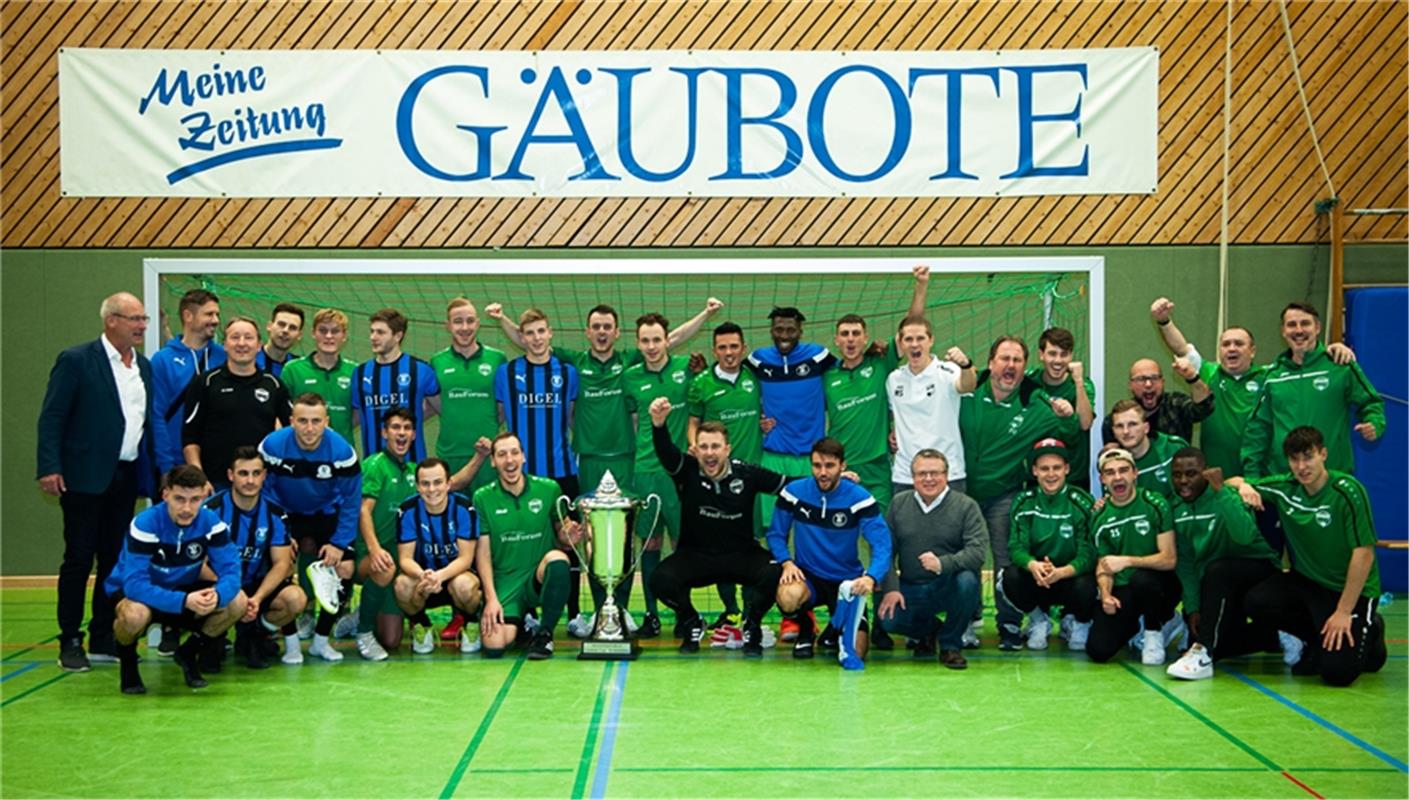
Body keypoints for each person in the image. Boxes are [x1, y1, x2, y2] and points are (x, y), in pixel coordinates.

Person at [488, 298, 720, 636]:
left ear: (616, 333)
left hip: (626, 462)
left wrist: (706, 314)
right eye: (595, 327)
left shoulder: (631, 360)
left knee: (626, 541)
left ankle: (623, 609)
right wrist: (503, 318)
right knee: (593, 540)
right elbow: (528, 339)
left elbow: (673, 338)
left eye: (607, 327)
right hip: (589, 462)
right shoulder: (574, 362)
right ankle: (600, 611)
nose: (601, 332)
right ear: (587, 332)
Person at [36, 292, 157, 671]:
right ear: (111, 321)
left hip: (125, 475)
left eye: (144, 319)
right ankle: (70, 638)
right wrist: (49, 466)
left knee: (113, 559)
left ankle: (103, 633)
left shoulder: (144, 366)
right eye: (134, 318)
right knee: (78, 558)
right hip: (83, 477)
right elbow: (52, 417)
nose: (140, 326)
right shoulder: (76, 361)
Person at [1233, 427, 1388, 687]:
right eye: (1295, 459)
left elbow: (1364, 554)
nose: (1302, 466)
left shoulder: (1348, 492)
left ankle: (1372, 631)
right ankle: (1317, 639)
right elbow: (1232, 481)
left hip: (1352, 593)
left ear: (1323, 454)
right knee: (1256, 601)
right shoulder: (1285, 488)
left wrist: (1343, 611)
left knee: (1337, 673)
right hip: (1310, 583)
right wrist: (1243, 486)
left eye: (1308, 457)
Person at [1150, 297, 1358, 480]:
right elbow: (1181, 347)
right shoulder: (1209, 373)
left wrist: (1334, 349)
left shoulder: (1269, 377)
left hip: (1260, 474)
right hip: (1219, 474)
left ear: (1252, 351)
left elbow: (1305, 366)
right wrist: (1164, 321)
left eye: (1239, 344)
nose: (1232, 348)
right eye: (1226, 344)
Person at [960, 336, 1079, 642]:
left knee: (1006, 561)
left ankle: (1009, 623)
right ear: (991, 363)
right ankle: (966, 619)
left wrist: (1067, 413)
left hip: (1004, 494)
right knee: (967, 559)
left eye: (1017, 360)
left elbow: (1071, 432)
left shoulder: (1036, 405)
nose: (1010, 365)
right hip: (963, 493)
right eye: (1004, 358)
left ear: (1025, 368)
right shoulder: (965, 392)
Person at [648, 400, 791, 655]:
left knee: (774, 573)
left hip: (741, 555)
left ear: (727, 449)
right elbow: (667, 452)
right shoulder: (687, 470)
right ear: (696, 450)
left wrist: (829, 480)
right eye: (703, 447)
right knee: (659, 579)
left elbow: (788, 486)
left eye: (715, 447)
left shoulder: (746, 473)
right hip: (696, 557)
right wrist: (659, 425)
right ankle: (691, 621)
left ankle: (752, 624)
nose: (710, 453)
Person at [355, 407, 491, 659]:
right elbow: (363, 510)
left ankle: (368, 612)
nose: (401, 433)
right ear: (384, 432)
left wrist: (479, 457)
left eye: (406, 428)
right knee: (392, 576)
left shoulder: (411, 471)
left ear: (415, 434)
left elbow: (454, 482)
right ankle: (364, 626)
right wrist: (374, 549)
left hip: (411, 566)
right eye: (395, 428)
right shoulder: (374, 465)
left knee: (392, 640)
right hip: (380, 557)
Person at [107, 465, 248, 694]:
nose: (187, 508)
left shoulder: (212, 523)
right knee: (133, 616)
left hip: (185, 589)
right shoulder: (145, 524)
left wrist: (217, 595)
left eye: (194, 500)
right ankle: (128, 663)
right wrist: (183, 601)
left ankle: (188, 653)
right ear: (165, 495)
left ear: (204, 496)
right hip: (144, 593)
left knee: (237, 601)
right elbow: (134, 585)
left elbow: (232, 572)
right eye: (179, 499)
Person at [768, 438, 892, 668]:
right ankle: (807, 631)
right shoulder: (794, 493)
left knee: (856, 653)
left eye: (830, 466)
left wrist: (870, 577)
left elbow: (882, 544)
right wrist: (786, 562)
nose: (822, 472)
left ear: (842, 466)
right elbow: (776, 534)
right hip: (809, 578)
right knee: (787, 597)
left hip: (846, 583)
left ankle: (835, 628)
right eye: (817, 466)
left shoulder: (860, 498)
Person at [258, 393, 362, 663]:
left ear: (326, 422)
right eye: (302, 421)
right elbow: (264, 493)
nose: (309, 428)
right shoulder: (272, 446)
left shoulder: (342, 452)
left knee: (345, 568)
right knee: (280, 568)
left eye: (316, 421)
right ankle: (291, 644)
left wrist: (339, 544)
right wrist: (282, 533)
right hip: (285, 512)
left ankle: (320, 641)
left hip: (325, 513)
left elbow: (351, 503)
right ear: (291, 421)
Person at [1163, 447, 1281, 681]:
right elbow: (1186, 563)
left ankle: (1203, 652)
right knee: (1219, 641)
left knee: (1218, 569)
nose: (1183, 481)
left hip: (1258, 571)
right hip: (1219, 586)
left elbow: (1244, 537)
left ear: (1205, 473)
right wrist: (1194, 608)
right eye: (1177, 475)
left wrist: (1220, 492)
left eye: (1191, 473)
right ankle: (1273, 637)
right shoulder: (1175, 508)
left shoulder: (1229, 494)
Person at [1240, 303, 1384, 480]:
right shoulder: (1272, 377)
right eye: (1291, 325)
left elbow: (1371, 402)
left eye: (1305, 323)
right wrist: (1252, 478)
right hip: (1285, 479)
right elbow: (1258, 429)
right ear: (1283, 331)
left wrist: (1374, 423)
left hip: (1331, 477)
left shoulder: (1340, 366)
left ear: (1317, 328)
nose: (1298, 330)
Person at [473, 433, 583, 660]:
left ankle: (544, 633)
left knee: (558, 560)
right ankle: (522, 625)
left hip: (537, 577)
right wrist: (491, 599)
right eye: (502, 454)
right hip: (506, 582)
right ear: (493, 461)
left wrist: (567, 536)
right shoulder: (482, 498)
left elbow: (562, 534)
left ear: (523, 457)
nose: (509, 460)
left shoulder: (549, 489)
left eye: (514, 452)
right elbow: (482, 553)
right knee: (494, 646)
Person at [619, 313, 695, 637]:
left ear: (668, 339)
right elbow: (637, 423)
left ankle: (683, 613)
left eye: (657, 339)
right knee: (650, 545)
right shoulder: (630, 377)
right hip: (646, 472)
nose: (651, 346)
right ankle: (651, 614)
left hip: (679, 474)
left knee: (683, 545)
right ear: (638, 343)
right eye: (645, 340)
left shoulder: (686, 370)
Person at [876, 449, 986, 670]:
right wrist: (891, 588)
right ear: (912, 477)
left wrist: (943, 564)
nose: (928, 479)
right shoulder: (899, 504)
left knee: (967, 581)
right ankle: (930, 631)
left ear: (946, 475)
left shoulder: (966, 506)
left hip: (947, 585)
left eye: (935, 473)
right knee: (887, 619)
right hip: (911, 586)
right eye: (922, 473)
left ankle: (950, 645)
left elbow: (978, 552)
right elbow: (885, 550)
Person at [687, 321, 765, 627]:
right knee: (720, 545)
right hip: (717, 478)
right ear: (714, 350)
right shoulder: (701, 383)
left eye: (734, 347)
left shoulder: (754, 377)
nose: (729, 353)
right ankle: (731, 608)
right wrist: (694, 446)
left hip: (751, 478)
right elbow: (693, 421)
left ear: (743, 349)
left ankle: (749, 613)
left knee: (750, 544)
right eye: (722, 347)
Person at [206, 447, 308, 670]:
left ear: (264, 476)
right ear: (231, 475)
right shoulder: (210, 511)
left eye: (256, 473)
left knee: (295, 598)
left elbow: (282, 563)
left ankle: (256, 635)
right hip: (217, 585)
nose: (250, 480)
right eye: (243, 474)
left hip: (256, 587)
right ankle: (209, 638)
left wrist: (257, 599)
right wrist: (231, 588)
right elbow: (199, 564)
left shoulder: (275, 513)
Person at [994, 439, 1098, 652]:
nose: (1051, 474)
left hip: (1069, 578)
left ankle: (1077, 622)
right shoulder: (1024, 501)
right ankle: (1039, 620)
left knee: (1088, 583)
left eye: (1057, 468)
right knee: (1010, 577)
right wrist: (1033, 565)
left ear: (1067, 469)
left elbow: (1088, 554)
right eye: (1044, 469)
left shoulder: (1082, 502)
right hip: (1039, 578)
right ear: (1034, 471)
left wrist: (1062, 572)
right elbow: (1016, 548)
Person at [1087, 449, 1180, 666]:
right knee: (1098, 651)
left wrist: (1128, 561)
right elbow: (1104, 566)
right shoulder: (1100, 517)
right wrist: (1106, 594)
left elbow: (1169, 559)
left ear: (1135, 473)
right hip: (1124, 588)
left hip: (1159, 583)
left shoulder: (1155, 504)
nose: (1117, 477)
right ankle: (1135, 625)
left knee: (1143, 579)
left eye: (1123, 470)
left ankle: (1155, 630)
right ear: (1102, 479)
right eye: (1110, 473)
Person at [181, 316, 291, 491]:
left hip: (260, 483)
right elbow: (190, 437)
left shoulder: (274, 385)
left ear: (258, 345)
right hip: (215, 483)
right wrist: (200, 479)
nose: (242, 343)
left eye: (248, 337)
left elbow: (293, 430)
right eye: (235, 337)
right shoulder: (206, 382)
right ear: (225, 344)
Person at [394, 458, 484, 654]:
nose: (432, 489)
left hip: (455, 579)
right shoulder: (408, 511)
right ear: (417, 486)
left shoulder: (463, 508)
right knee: (401, 585)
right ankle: (422, 625)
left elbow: (465, 559)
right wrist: (422, 576)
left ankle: (470, 623)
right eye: (425, 483)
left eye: (438, 482)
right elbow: (405, 559)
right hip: (424, 582)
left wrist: (439, 576)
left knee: (464, 586)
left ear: (448, 483)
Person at [887, 314, 976, 495]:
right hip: (906, 476)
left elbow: (967, 385)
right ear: (902, 344)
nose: (914, 344)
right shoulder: (894, 379)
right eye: (908, 339)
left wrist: (966, 365)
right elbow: (893, 415)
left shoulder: (948, 370)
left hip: (948, 474)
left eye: (920, 338)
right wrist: (893, 431)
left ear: (931, 341)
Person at [429, 297, 506, 495]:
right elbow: (436, 404)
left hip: (488, 454)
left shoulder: (497, 359)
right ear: (447, 326)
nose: (465, 327)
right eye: (458, 321)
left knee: (487, 521)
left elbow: (502, 408)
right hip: (450, 455)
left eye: (470, 321)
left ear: (478, 323)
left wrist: (487, 429)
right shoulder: (437, 361)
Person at [150, 288, 225, 473]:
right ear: (188, 316)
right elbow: (156, 415)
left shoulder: (225, 357)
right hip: (176, 462)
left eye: (217, 314)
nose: (215, 320)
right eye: (209, 314)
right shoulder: (163, 360)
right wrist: (165, 466)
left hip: (217, 464)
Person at [351, 308, 441, 461]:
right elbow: (356, 416)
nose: (373, 337)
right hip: (373, 466)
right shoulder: (359, 373)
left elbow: (441, 408)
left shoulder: (420, 370)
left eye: (380, 332)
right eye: (372, 331)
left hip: (412, 464)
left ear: (398, 336)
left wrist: (414, 418)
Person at [1026, 328, 1096, 490]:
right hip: (1037, 475)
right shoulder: (1029, 381)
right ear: (1041, 354)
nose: (1058, 360)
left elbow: (1085, 424)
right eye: (1052, 353)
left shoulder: (1082, 384)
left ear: (1071, 356)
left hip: (1074, 475)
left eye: (1064, 354)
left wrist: (1078, 381)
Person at [280, 308, 359, 447]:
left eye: (335, 331)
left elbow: (357, 414)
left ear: (344, 336)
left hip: (341, 450)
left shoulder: (355, 372)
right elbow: (282, 413)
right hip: (300, 451)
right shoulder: (292, 369)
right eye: (323, 330)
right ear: (313, 333)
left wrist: (340, 428)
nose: (329, 336)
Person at [1101, 358, 1212, 446]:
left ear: (1162, 382)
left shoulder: (1175, 404)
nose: (1148, 384)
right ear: (1131, 385)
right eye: (1141, 379)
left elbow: (1204, 408)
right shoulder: (1118, 419)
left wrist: (1192, 377)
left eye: (1154, 378)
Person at [1106, 399, 1189, 499]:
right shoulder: (1112, 464)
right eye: (1119, 426)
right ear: (1113, 431)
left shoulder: (1174, 447)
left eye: (1132, 424)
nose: (1126, 431)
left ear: (1146, 428)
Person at [256, 303, 304, 378]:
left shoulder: (300, 367)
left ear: (299, 335)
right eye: (281, 324)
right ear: (269, 326)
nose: (285, 330)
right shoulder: (249, 359)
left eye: (292, 327)